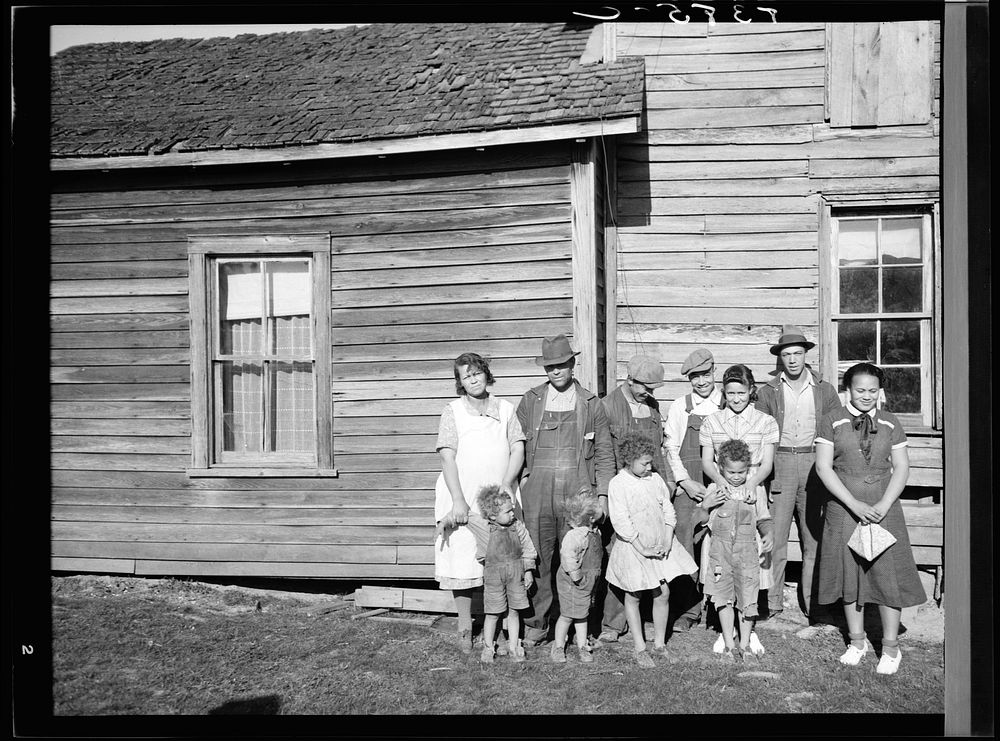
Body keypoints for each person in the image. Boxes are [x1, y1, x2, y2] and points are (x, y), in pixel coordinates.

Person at [814, 362, 926, 675]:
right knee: (850, 573)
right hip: (844, 508)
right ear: (847, 389)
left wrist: (883, 504)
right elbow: (824, 468)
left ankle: (891, 648)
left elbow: (901, 467)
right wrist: (854, 505)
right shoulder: (831, 421)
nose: (867, 396)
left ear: (880, 391)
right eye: (860, 390)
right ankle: (857, 642)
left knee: (886, 573)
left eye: (872, 391)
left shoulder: (890, 422)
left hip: (883, 506)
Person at [516, 335, 615, 647]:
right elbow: (516, 446)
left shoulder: (590, 403)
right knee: (539, 560)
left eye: (561, 364)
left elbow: (603, 453)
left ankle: (581, 623)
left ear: (573, 364)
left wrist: (603, 497)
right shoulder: (531, 400)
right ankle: (536, 626)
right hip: (538, 494)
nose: (556, 371)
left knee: (582, 559)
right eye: (550, 366)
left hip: (578, 494)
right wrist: (522, 481)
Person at [434, 352, 526, 652]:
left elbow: (517, 448)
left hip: (498, 496)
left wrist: (506, 485)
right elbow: (447, 456)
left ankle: (497, 626)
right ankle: (464, 626)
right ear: (460, 382)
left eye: (477, 373)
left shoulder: (506, 409)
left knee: (501, 558)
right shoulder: (453, 411)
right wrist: (458, 500)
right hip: (461, 492)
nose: (473, 379)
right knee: (463, 559)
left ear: (486, 374)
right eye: (466, 376)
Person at [755, 326, 842, 623]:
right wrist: (764, 479)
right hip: (779, 463)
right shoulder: (768, 392)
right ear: (780, 358)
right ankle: (772, 604)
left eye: (798, 354)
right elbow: (760, 436)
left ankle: (815, 606)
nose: (792, 360)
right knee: (774, 539)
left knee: (813, 540)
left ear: (806, 355)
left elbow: (836, 432)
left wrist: (830, 471)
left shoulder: (825, 390)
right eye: (786, 354)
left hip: (814, 464)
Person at [700, 364, 779, 656]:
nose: (736, 398)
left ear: (751, 391)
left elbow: (767, 464)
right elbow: (708, 462)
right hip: (722, 488)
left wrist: (750, 484)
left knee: (750, 561)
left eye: (741, 392)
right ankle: (725, 631)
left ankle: (750, 630)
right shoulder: (712, 421)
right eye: (730, 393)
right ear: (724, 392)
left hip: (752, 487)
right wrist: (723, 483)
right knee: (722, 557)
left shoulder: (765, 421)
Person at [605, 432, 698, 668]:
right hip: (634, 546)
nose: (649, 467)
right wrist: (641, 547)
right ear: (629, 460)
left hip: (658, 544)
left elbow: (667, 510)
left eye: (650, 462)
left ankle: (659, 644)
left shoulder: (655, 479)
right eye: (644, 463)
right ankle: (639, 647)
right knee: (634, 594)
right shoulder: (618, 484)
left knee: (662, 593)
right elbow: (621, 520)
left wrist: (667, 538)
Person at [597, 355, 667, 644]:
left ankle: (647, 617)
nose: (650, 393)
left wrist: (667, 483)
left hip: (649, 488)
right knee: (620, 555)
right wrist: (606, 495)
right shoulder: (607, 406)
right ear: (629, 380)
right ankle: (612, 624)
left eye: (653, 388)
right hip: (622, 492)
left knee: (650, 550)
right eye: (645, 387)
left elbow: (658, 448)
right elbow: (602, 453)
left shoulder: (652, 406)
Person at [437, 485, 537, 664]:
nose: (513, 514)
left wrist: (528, 571)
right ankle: (488, 646)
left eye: (512, 510)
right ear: (492, 516)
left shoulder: (518, 527)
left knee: (514, 612)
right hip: (494, 578)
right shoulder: (483, 526)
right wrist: (443, 523)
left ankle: (514, 645)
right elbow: (462, 515)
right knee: (493, 613)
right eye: (508, 512)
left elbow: (528, 549)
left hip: (516, 575)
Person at [662, 348, 724, 634]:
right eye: (695, 377)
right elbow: (671, 448)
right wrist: (684, 481)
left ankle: (720, 604)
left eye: (706, 375)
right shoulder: (680, 406)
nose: (701, 382)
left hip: (722, 479)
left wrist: (721, 483)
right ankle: (688, 607)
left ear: (715, 373)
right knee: (685, 538)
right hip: (688, 481)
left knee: (719, 539)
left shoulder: (726, 402)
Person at [699, 439, 774, 662]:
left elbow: (764, 519)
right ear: (721, 468)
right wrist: (706, 505)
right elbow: (701, 520)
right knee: (723, 598)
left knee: (748, 598)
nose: (736, 476)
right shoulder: (715, 489)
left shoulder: (755, 490)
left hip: (747, 555)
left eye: (741, 472)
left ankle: (745, 644)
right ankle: (730, 645)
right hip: (721, 555)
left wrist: (768, 534)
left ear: (748, 469)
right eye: (731, 471)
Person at [551, 485, 604, 664]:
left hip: (588, 579)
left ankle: (582, 645)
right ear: (589, 517)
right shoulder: (575, 536)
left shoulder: (594, 531)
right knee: (567, 614)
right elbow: (567, 556)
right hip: (573, 580)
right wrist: (576, 575)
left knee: (582, 614)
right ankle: (558, 646)